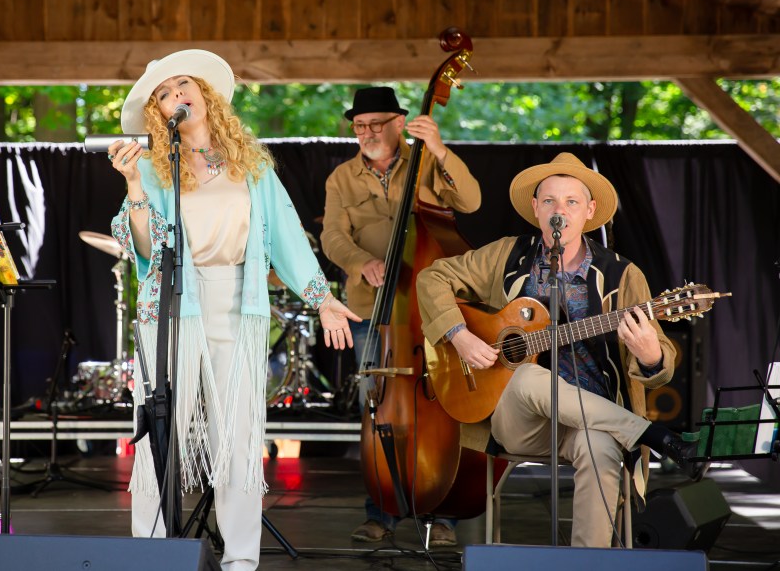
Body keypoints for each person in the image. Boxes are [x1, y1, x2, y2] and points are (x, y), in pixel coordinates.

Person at [108, 49, 360, 570]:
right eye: (163, 92)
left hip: (236, 305)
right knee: (159, 437)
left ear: (204, 93)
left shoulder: (252, 165)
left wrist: (323, 298)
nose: (176, 94)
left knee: (239, 441)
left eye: (182, 83)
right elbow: (146, 250)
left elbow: (287, 236)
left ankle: (241, 562)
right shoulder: (156, 170)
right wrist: (134, 188)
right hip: (172, 308)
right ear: (158, 112)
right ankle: (150, 557)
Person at [417, 152, 702, 547]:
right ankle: (652, 435)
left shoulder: (622, 274)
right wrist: (460, 335)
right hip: (520, 421)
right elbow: (433, 277)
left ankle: (588, 562)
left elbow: (662, 365)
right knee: (530, 375)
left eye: (571, 202)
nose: (559, 211)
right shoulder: (507, 255)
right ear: (535, 209)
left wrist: (651, 355)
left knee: (601, 447)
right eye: (549, 201)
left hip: (592, 420)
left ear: (590, 210)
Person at [320, 86, 481, 546]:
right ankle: (381, 512)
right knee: (379, 409)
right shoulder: (342, 177)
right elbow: (332, 236)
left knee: (444, 406)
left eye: (375, 124)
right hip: (374, 309)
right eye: (359, 126)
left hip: (434, 309)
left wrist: (440, 148)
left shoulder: (428, 162)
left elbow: (470, 202)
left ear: (398, 123)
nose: (366, 133)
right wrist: (358, 263)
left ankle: (444, 516)